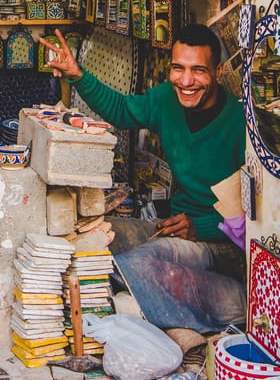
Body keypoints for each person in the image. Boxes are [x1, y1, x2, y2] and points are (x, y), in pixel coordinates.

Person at [39, 23, 247, 334]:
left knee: (143, 263)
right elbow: (122, 110)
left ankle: (168, 308)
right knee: (96, 238)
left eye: (198, 71)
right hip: (174, 231)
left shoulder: (241, 124)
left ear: (218, 72)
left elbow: (257, 216)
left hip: (224, 247)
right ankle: (151, 305)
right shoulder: (166, 99)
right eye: (179, 68)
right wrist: (76, 74)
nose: (186, 81)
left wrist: (198, 226)